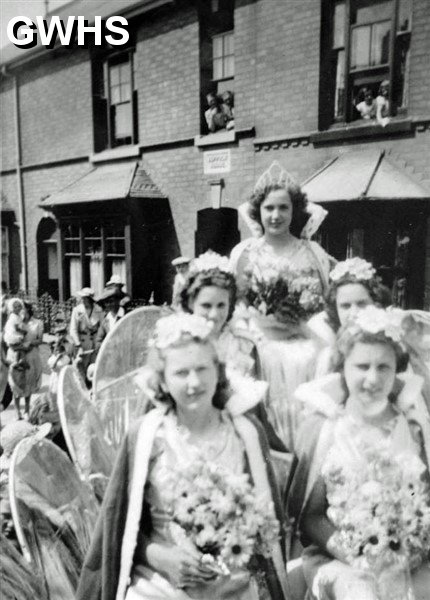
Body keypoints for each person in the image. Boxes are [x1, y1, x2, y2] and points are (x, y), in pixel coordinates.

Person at [76, 314, 289, 600]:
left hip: (232, 581)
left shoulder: (245, 434)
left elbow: (266, 523)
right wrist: (158, 556)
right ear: (162, 379)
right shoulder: (148, 435)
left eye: (202, 369)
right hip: (161, 582)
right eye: (180, 372)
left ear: (218, 370)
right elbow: (120, 526)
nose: (194, 383)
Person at [288, 306, 430, 600]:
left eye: (383, 367)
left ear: (397, 369)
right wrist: (354, 554)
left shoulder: (414, 427)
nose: (373, 378)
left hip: (409, 556)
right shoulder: (324, 428)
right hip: (338, 557)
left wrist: (412, 548)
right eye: (362, 366)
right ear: (343, 367)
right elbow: (309, 516)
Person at [229, 161, 333, 450]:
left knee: (305, 425)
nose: (276, 215)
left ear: (294, 211)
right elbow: (233, 305)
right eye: (269, 208)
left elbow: (326, 302)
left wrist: (302, 323)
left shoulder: (313, 252)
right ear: (258, 212)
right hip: (261, 351)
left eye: (283, 208)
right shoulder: (244, 253)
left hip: (305, 352)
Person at [179, 250, 287, 453]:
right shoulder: (178, 342)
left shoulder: (244, 344)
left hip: (237, 435)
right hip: (188, 432)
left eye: (221, 305)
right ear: (190, 303)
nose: (214, 314)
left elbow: (256, 405)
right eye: (206, 305)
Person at [308, 257, 392, 376]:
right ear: (335, 309)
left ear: (376, 303)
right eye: (345, 306)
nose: (354, 313)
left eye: (361, 304)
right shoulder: (326, 350)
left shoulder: (390, 343)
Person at [7, 301, 43, 420]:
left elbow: (39, 340)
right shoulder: (15, 321)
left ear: (28, 310)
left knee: (28, 382)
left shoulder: (37, 323)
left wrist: (29, 343)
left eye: (24, 309)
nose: (22, 312)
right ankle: (17, 412)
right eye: (20, 309)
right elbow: (8, 335)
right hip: (15, 354)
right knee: (16, 383)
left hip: (31, 354)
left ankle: (27, 410)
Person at [69, 288, 103, 383]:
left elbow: (102, 327)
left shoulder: (98, 310)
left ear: (90, 299)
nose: (83, 300)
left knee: (94, 368)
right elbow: (73, 329)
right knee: (80, 369)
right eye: (82, 298)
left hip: (94, 342)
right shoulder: (77, 310)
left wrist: (99, 342)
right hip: (82, 343)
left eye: (85, 298)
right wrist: (78, 345)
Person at [94, 286, 126, 352]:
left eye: (111, 301)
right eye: (106, 302)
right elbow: (98, 341)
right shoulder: (106, 321)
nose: (109, 304)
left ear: (118, 300)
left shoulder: (126, 316)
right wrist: (108, 345)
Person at [4, 298, 29, 372]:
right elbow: (16, 328)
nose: (18, 308)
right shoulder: (14, 316)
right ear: (12, 308)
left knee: (20, 349)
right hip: (13, 335)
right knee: (18, 349)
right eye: (15, 307)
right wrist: (24, 332)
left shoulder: (17, 315)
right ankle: (16, 363)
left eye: (19, 306)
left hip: (15, 334)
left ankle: (21, 361)